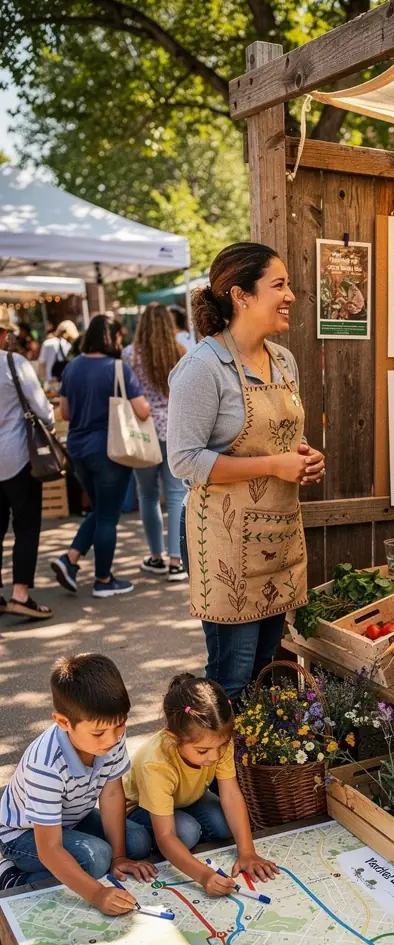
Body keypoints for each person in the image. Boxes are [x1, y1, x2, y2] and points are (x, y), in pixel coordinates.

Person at [168, 242, 325, 699]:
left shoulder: (284, 361)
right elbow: (184, 460)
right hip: (224, 539)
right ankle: (218, 749)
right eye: (278, 285)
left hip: (276, 534)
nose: (290, 295)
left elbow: (281, 440)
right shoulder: (202, 368)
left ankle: (256, 750)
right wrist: (275, 464)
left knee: (267, 671)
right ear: (241, 295)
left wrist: (304, 457)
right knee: (232, 679)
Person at [0, 653, 156, 902]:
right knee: (96, 859)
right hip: (22, 835)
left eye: (120, 725)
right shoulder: (45, 765)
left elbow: (111, 793)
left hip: (71, 819)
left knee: (137, 842)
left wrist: (119, 858)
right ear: (63, 722)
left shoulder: (110, 731)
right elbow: (49, 849)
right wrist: (97, 894)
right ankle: (12, 877)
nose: (112, 739)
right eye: (99, 733)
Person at [125, 673, 278, 894]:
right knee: (186, 832)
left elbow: (231, 795)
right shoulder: (155, 764)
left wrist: (247, 852)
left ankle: (188, 831)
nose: (214, 756)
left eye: (221, 746)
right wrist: (204, 876)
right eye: (202, 751)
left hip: (186, 798)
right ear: (173, 738)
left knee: (226, 825)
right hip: (139, 808)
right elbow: (166, 836)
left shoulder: (217, 740)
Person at [50, 314, 152, 598]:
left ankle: (70, 559)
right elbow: (142, 410)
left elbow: (65, 413)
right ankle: (103, 580)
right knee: (108, 516)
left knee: (100, 510)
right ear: (112, 337)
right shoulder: (118, 368)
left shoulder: (72, 367)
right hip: (110, 450)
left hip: (78, 450)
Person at [122, 304, 188, 581]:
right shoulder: (179, 351)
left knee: (147, 495)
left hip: (142, 431)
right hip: (173, 430)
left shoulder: (129, 355)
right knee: (175, 494)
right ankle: (176, 561)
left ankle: (156, 556)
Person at [0, 306, 55, 619]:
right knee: (26, 525)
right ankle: (20, 594)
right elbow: (43, 410)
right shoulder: (14, 363)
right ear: (4, 334)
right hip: (17, 456)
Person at [39, 319, 79, 386]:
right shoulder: (71, 345)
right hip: (68, 381)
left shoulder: (48, 343)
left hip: (52, 382)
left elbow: (42, 364)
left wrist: (43, 383)